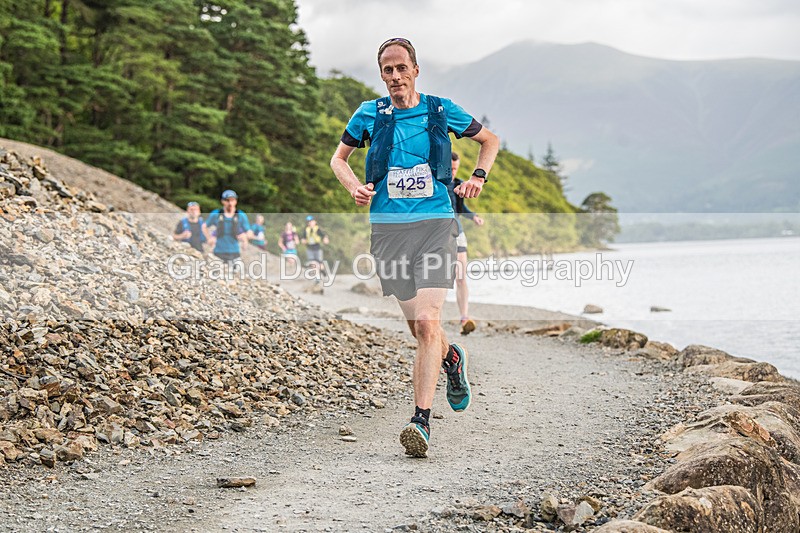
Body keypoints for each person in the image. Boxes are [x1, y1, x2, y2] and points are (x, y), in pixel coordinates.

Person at [330, 37, 499, 458]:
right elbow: (338, 159)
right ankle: (452, 360)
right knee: (419, 329)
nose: (394, 77)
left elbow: (490, 141)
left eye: (401, 68)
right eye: (387, 70)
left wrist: (477, 176)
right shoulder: (369, 113)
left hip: (436, 224)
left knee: (427, 322)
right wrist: (355, 187)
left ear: (415, 69)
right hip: (388, 230)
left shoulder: (440, 109)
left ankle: (420, 420)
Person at [447, 152, 485, 335]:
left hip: (457, 232)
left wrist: (474, 217)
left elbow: (461, 208)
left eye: (456, 168)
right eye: (450, 168)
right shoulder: (433, 184)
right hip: (434, 235)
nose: (453, 172)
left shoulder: (458, 184)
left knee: (460, 277)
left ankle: (464, 317)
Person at [205, 190, 252, 272]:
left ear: (236, 201)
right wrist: (209, 238)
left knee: (236, 275)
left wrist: (245, 237)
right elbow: (204, 226)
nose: (230, 203)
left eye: (232, 200)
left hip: (234, 252)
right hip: (218, 252)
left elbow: (249, 232)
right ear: (223, 201)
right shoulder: (216, 214)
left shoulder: (241, 215)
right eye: (227, 200)